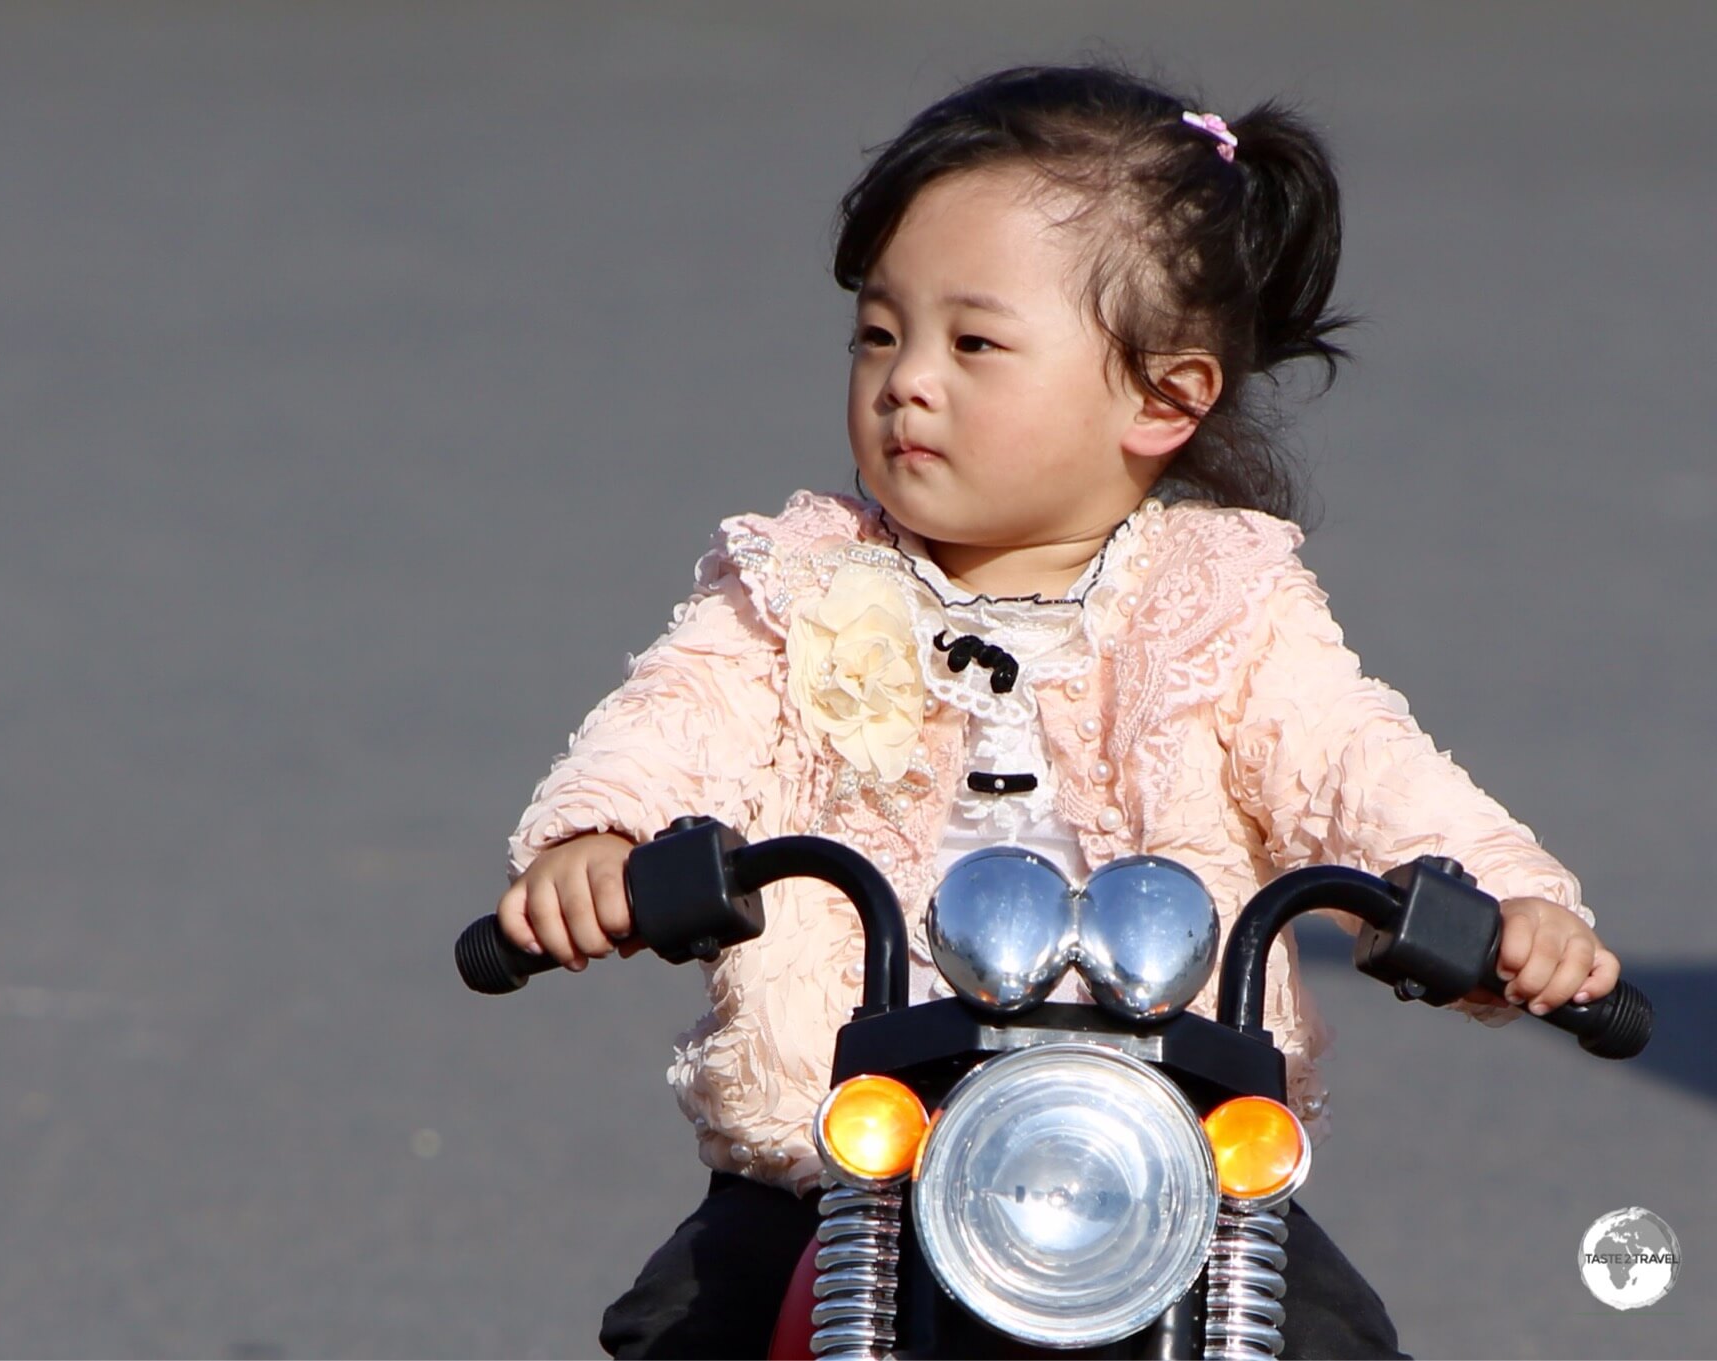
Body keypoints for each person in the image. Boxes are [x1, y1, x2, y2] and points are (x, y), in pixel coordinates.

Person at [497, 65, 1618, 1359]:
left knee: (1333, 1338)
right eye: (878, 332)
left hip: (1161, 1143)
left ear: (1164, 397)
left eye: (973, 343)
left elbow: (1360, 765)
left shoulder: (1228, 603)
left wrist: (1500, 905)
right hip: (850, 1140)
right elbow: (679, 710)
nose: (908, 381)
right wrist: (600, 843)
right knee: (687, 1323)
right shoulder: (797, 581)